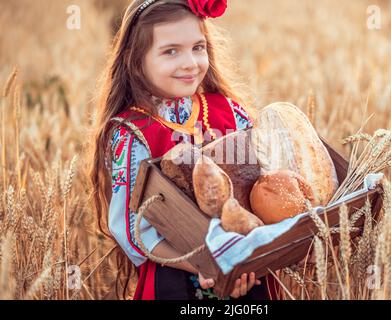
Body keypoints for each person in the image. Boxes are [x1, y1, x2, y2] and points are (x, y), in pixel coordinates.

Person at [88, 0, 279, 300]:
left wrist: (257, 255)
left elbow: (262, 186)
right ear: (136, 60)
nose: (190, 62)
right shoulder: (132, 134)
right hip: (177, 280)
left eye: (198, 47)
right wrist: (203, 266)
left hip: (248, 273)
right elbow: (132, 231)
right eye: (171, 51)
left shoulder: (229, 111)